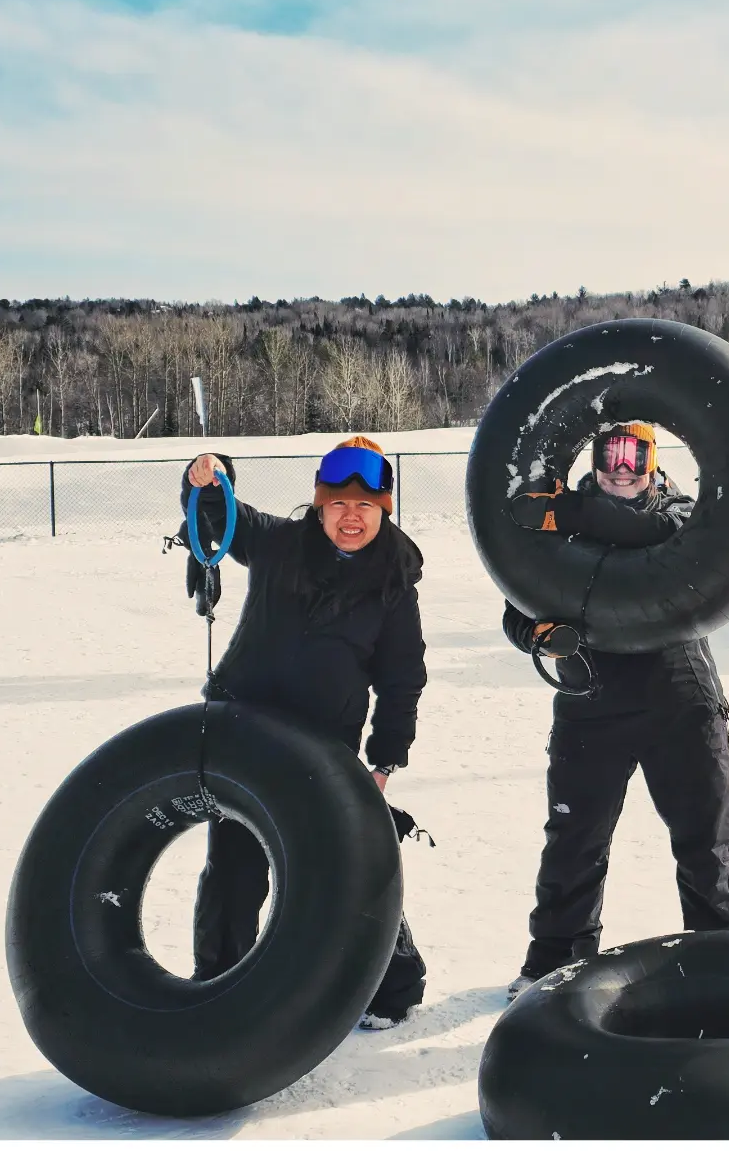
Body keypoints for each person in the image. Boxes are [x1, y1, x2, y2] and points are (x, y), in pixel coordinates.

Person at [179, 435, 429, 1030]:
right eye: (338, 503)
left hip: (324, 747)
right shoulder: (278, 543)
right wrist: (209, 479)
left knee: (341, 865)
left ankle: (392, 985)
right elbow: (222, 516)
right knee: (234, 866)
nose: (351, 516)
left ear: (383, 509)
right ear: (319, 505)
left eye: (365, 506)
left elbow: (402, 680)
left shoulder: (394, 584)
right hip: (244, 730)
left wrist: (385, 760)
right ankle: (216, 987)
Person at [501, 422, 729, 1000]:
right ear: (593, 459)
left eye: (635, 454)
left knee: (706, 843)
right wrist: (538, 634)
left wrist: (573, 513)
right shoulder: (555, 523)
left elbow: (661, 532)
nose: (622, 466)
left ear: (653, 460)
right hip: (589, 700)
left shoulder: (678, 512)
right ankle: (553, 964)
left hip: (680, 699)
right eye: (610, 453)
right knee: (574, 841)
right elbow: (517, 603)